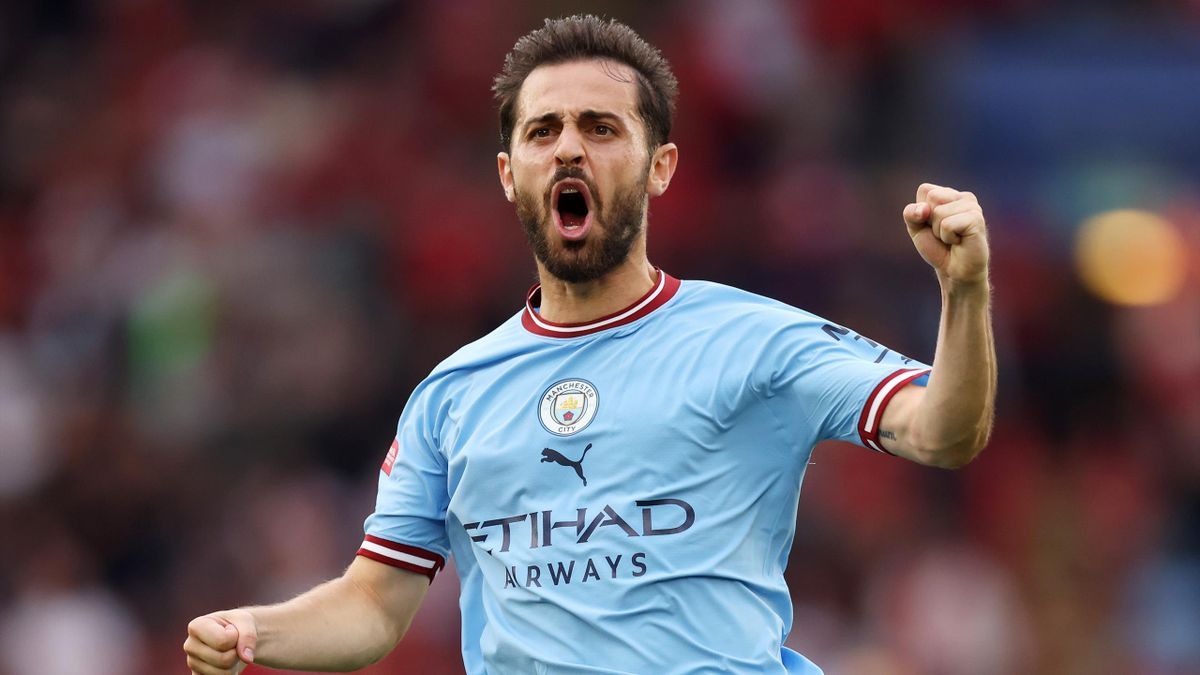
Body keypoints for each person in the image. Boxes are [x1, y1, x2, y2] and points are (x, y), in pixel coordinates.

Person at [183, 14, 995, 675]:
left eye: (601, 127)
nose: (569, 146)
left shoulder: (753, 340)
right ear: (510, 173)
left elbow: (943, 431)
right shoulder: (453, 395)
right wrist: (255, 628)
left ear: (660, 166)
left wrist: (964, 293)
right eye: (544, 130)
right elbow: (371, 606)